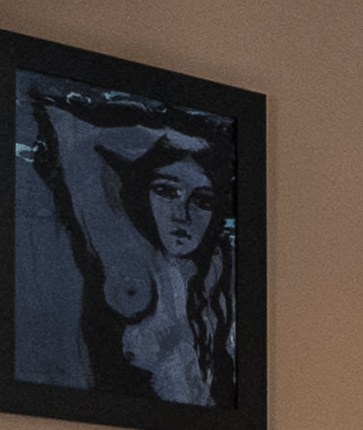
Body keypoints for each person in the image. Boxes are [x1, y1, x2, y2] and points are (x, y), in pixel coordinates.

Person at [38, 99, 239, 411]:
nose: (182, 214)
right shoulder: (126, 258)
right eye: (166, 192)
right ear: (143, 193)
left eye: (202, 201)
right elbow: (71, 134)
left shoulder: (221, 274)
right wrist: (172, 136)